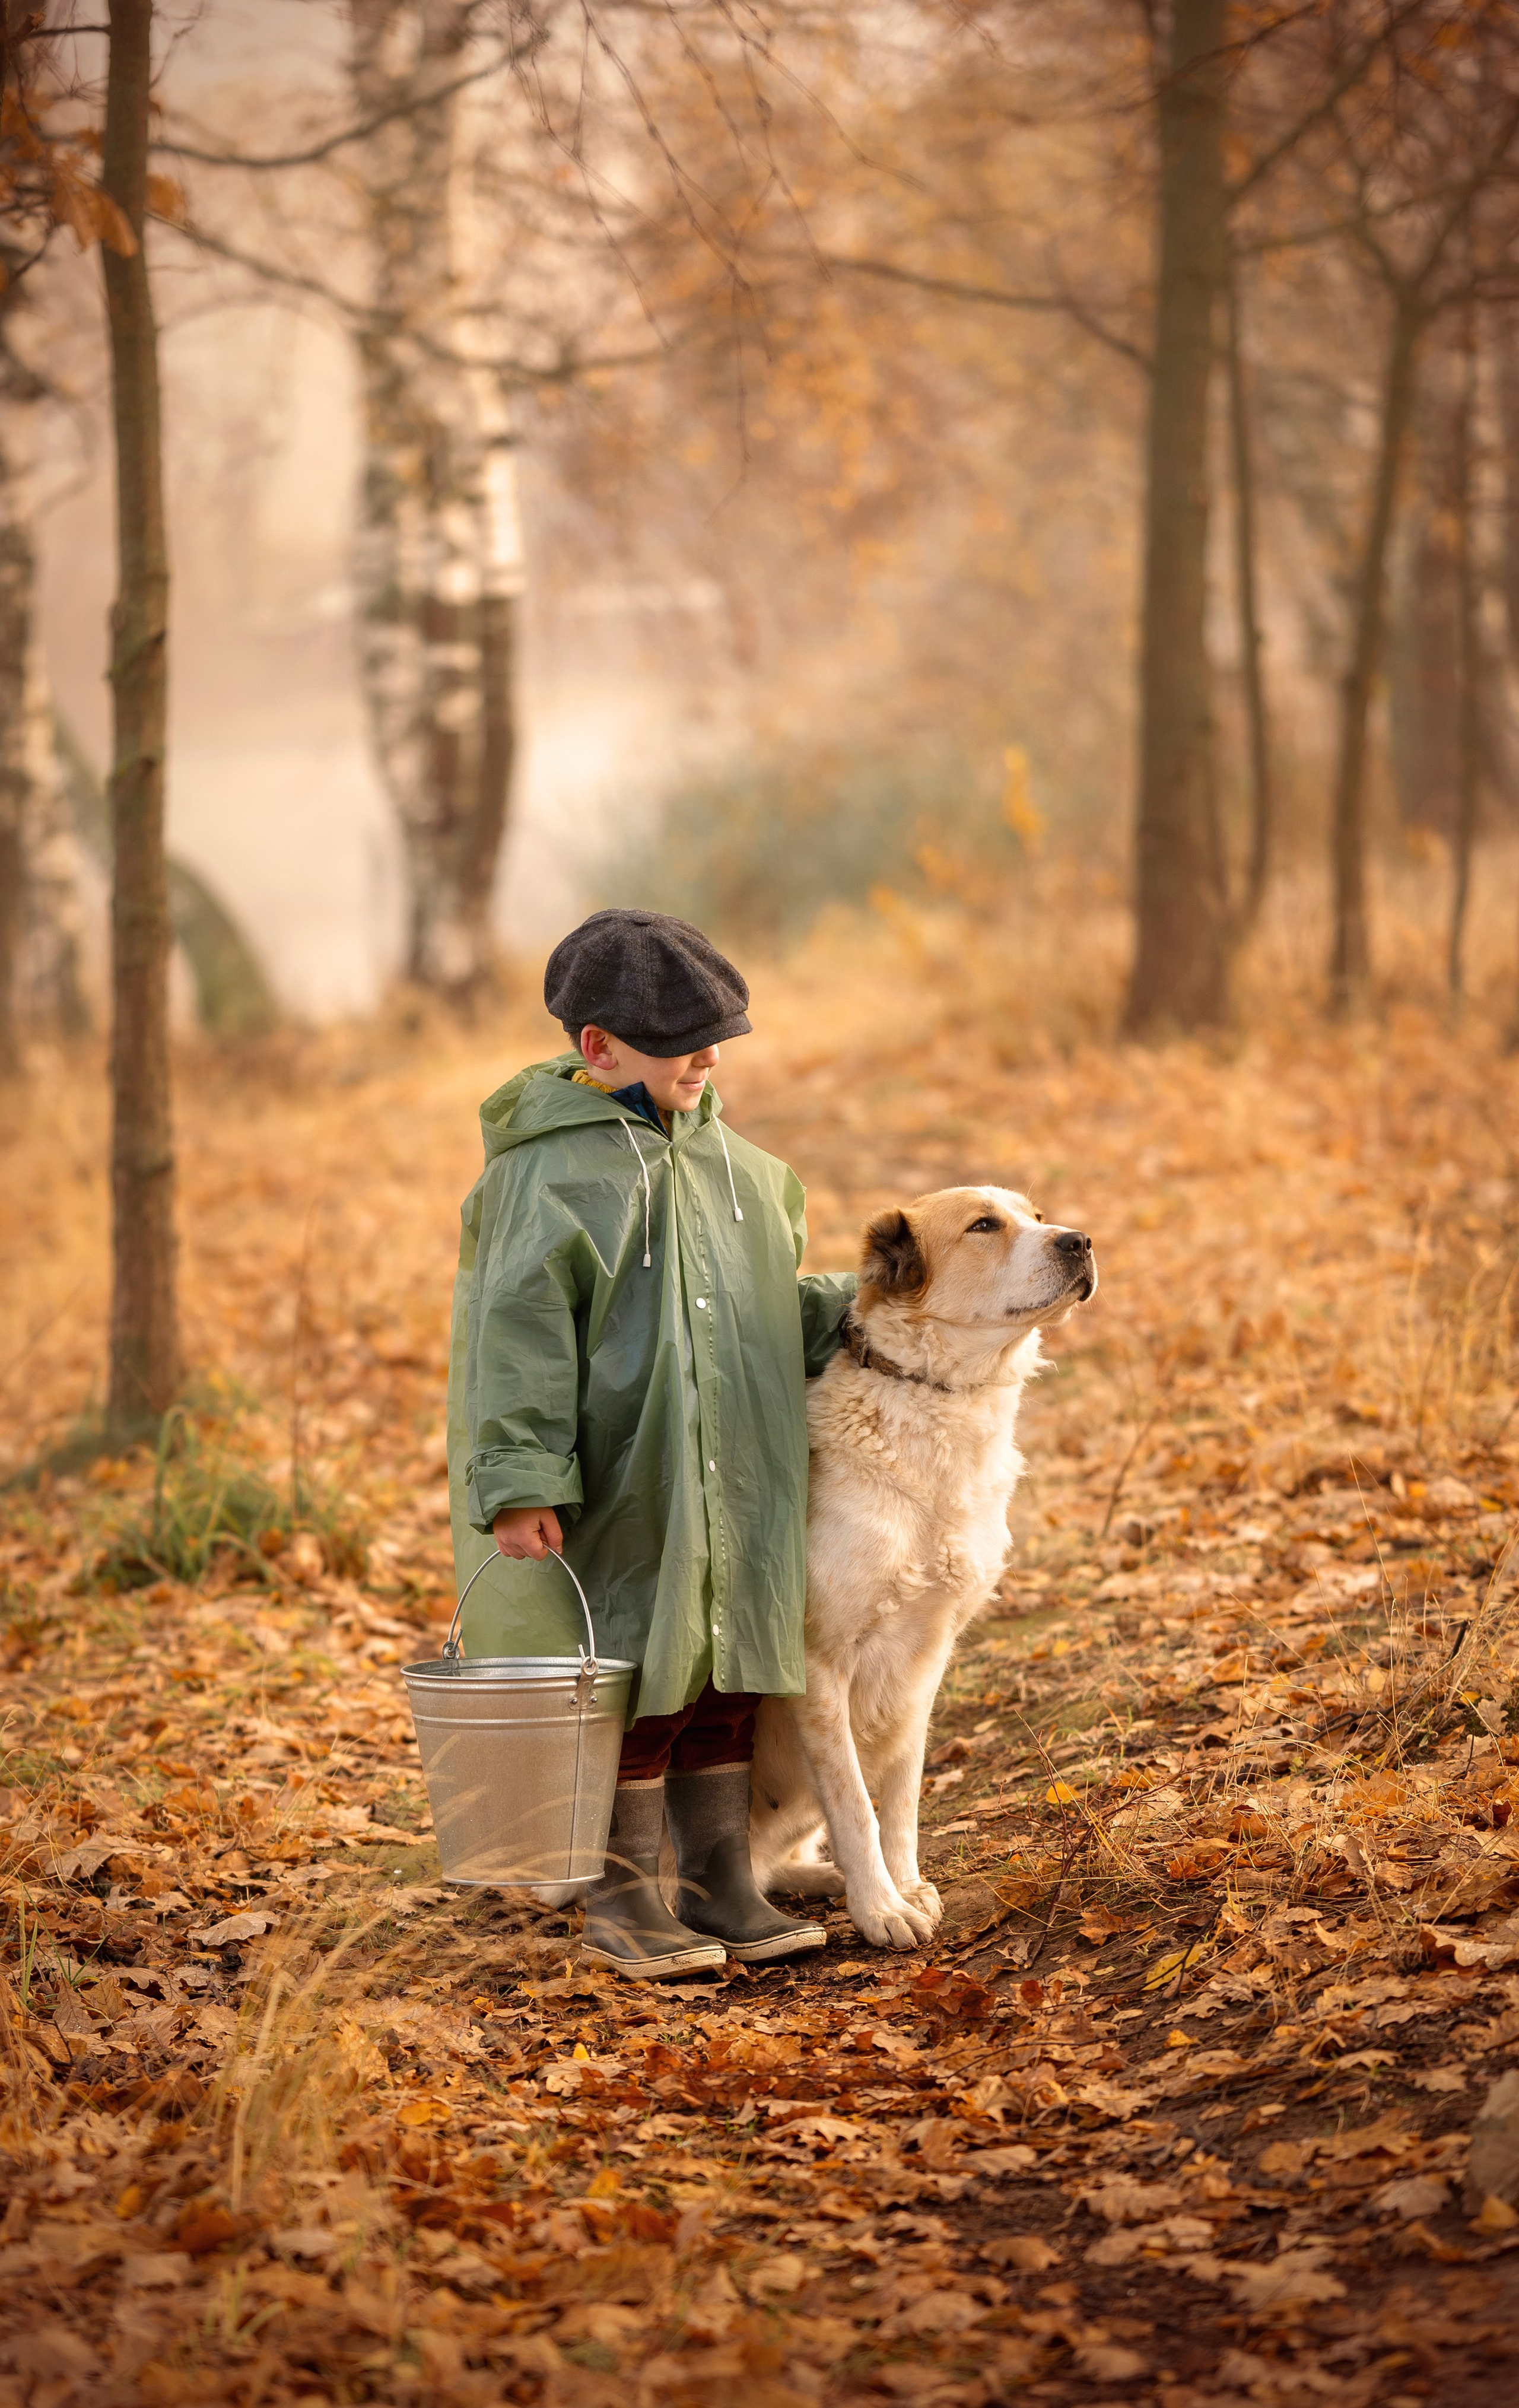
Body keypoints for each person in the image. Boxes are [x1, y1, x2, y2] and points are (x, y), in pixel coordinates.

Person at [448, 908, 857, 1978]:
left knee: (729, 1673)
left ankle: (721, 1877)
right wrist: (524, 1476)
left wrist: (877, 1312)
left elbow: (772, 1306)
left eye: (719, 1034)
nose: (709, 1058)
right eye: (682, 1040)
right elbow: (517, 1337)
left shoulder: (747, 1175)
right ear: (600, 1048)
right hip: (629, 1481)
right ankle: (625, 1894)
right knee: (640, 1673)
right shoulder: (545, 1180)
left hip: (742, 1472)